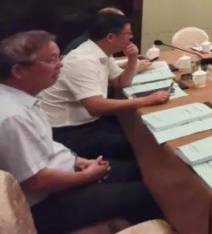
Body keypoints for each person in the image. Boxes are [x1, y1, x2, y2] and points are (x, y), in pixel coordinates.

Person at [0, 31, 161, 234]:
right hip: (47, 201)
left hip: (67, 171)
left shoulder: (25, 97)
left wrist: (79, 161)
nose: (60, 64)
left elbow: (46, 145)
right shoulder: (12, 117)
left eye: (58, 57)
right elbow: (35, 182)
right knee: (150, 194)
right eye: (51, 60)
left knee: (143, 170)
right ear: (18, 71)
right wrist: (87, 176)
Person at [38, 13, 170, 159]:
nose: (131, 37)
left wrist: (132, 60)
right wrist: (147, 100)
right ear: (110, 37)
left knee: (139, 135)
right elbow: (95, 107)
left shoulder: (102, 52)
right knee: (139, 144)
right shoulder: (83, 60)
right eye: (128, 33)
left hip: (88, 121)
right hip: (68, 131)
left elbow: (120, 82)